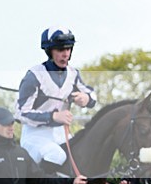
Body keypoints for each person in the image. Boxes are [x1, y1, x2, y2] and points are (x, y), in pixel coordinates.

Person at [15, 27, 97, 174]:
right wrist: (52, 117)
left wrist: (86, 98)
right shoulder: (34, 76)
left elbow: (92, 95)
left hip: (61, 134)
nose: (66, 54)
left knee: (82, 152)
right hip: (35, 136)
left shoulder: (73, 74)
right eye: (60, 50)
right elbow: (20, 114)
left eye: (68, 49)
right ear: (49, 51)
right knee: (56, 155)